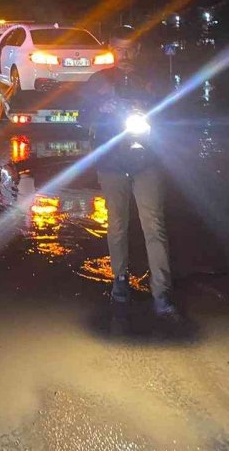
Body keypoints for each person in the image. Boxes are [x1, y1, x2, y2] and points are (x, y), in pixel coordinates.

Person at [80, 25, 178, 317]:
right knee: (117, 224)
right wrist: (102, 108)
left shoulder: (152, 80)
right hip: (111, 162)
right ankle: (120, 280)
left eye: (130, 48)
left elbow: (172, 112)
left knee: (154, 225)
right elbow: (81, 115)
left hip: (147, 161)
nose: (125, 55)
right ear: (112, 49)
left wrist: (148, 108)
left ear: (138, 50)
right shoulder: (98, 81)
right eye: (119, 49)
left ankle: (161, 292)